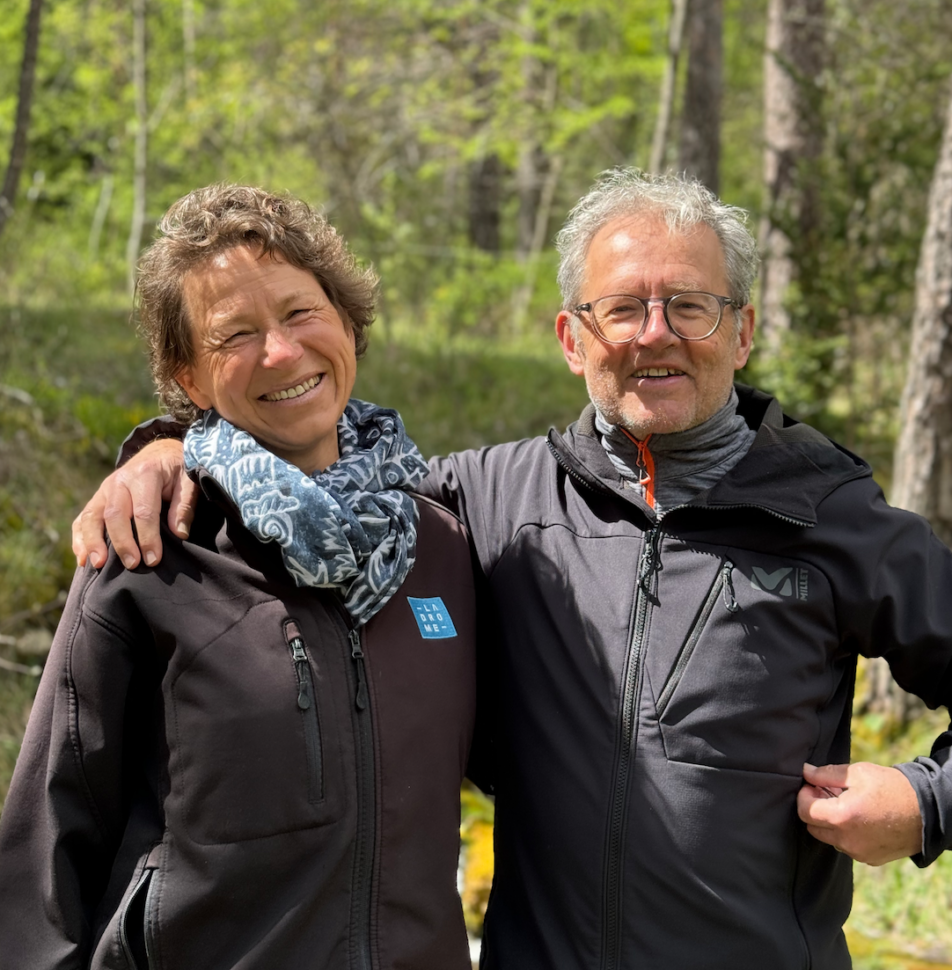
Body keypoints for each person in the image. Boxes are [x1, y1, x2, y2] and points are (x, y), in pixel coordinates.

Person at [72, 170, 952, 970]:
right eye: (623, 309)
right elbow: (320, 480)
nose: (657, 336)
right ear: (573, 338)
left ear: (743, 331)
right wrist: (175, 446)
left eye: (692, 306)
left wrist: (925, 803)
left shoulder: (831, 516)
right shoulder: (480, 501)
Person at [0, 184, 478, 970]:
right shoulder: (150, 552)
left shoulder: (443, 542)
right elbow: (48, 843)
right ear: (188, 379)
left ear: (347, 320)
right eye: (235, 334)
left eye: (299, 313)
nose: (281, 352)